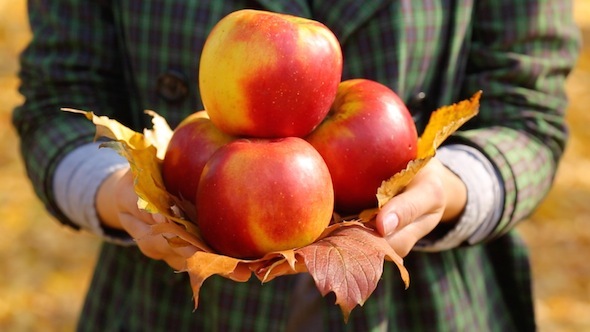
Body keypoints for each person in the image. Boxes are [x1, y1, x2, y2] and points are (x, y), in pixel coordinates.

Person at [13, 0, 580, 331]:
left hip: (429, 307)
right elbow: (55, 99)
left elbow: (527, 110)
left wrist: (454, 187)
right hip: (166, 304)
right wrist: (118, 192)